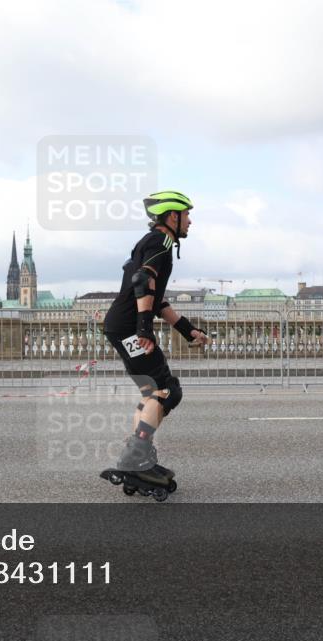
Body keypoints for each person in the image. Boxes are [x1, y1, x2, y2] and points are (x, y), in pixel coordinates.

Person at [102, 191, 209, 485]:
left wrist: (187, 329)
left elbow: (156, 298)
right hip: (127, 327)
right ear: (172, 217)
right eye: (186, 214)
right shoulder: (160, 243)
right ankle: (134, 460)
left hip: (122, 325)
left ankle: (139, 456)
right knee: (166, 391)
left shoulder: (151, 243)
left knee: (154, 392)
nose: (190, 220)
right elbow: (141, 282)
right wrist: (144, 329)